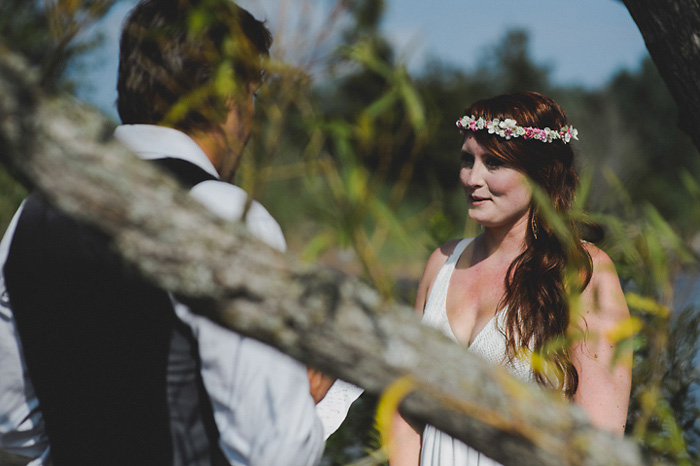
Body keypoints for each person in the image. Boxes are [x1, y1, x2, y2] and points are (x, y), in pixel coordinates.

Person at [0, 0, 326, 464]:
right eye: (253, 94)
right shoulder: (225, 219)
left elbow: (12, 421)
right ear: (229, 96)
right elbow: (276, 453)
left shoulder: (33, 213)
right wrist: (309, 399)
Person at [389, 92, 632, 465]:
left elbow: (600, 436)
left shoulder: (582, 272)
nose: (473, 178)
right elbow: (406, 406)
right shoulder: (441, 263)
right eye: (467, 160)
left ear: (540, 173)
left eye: (494, 163)